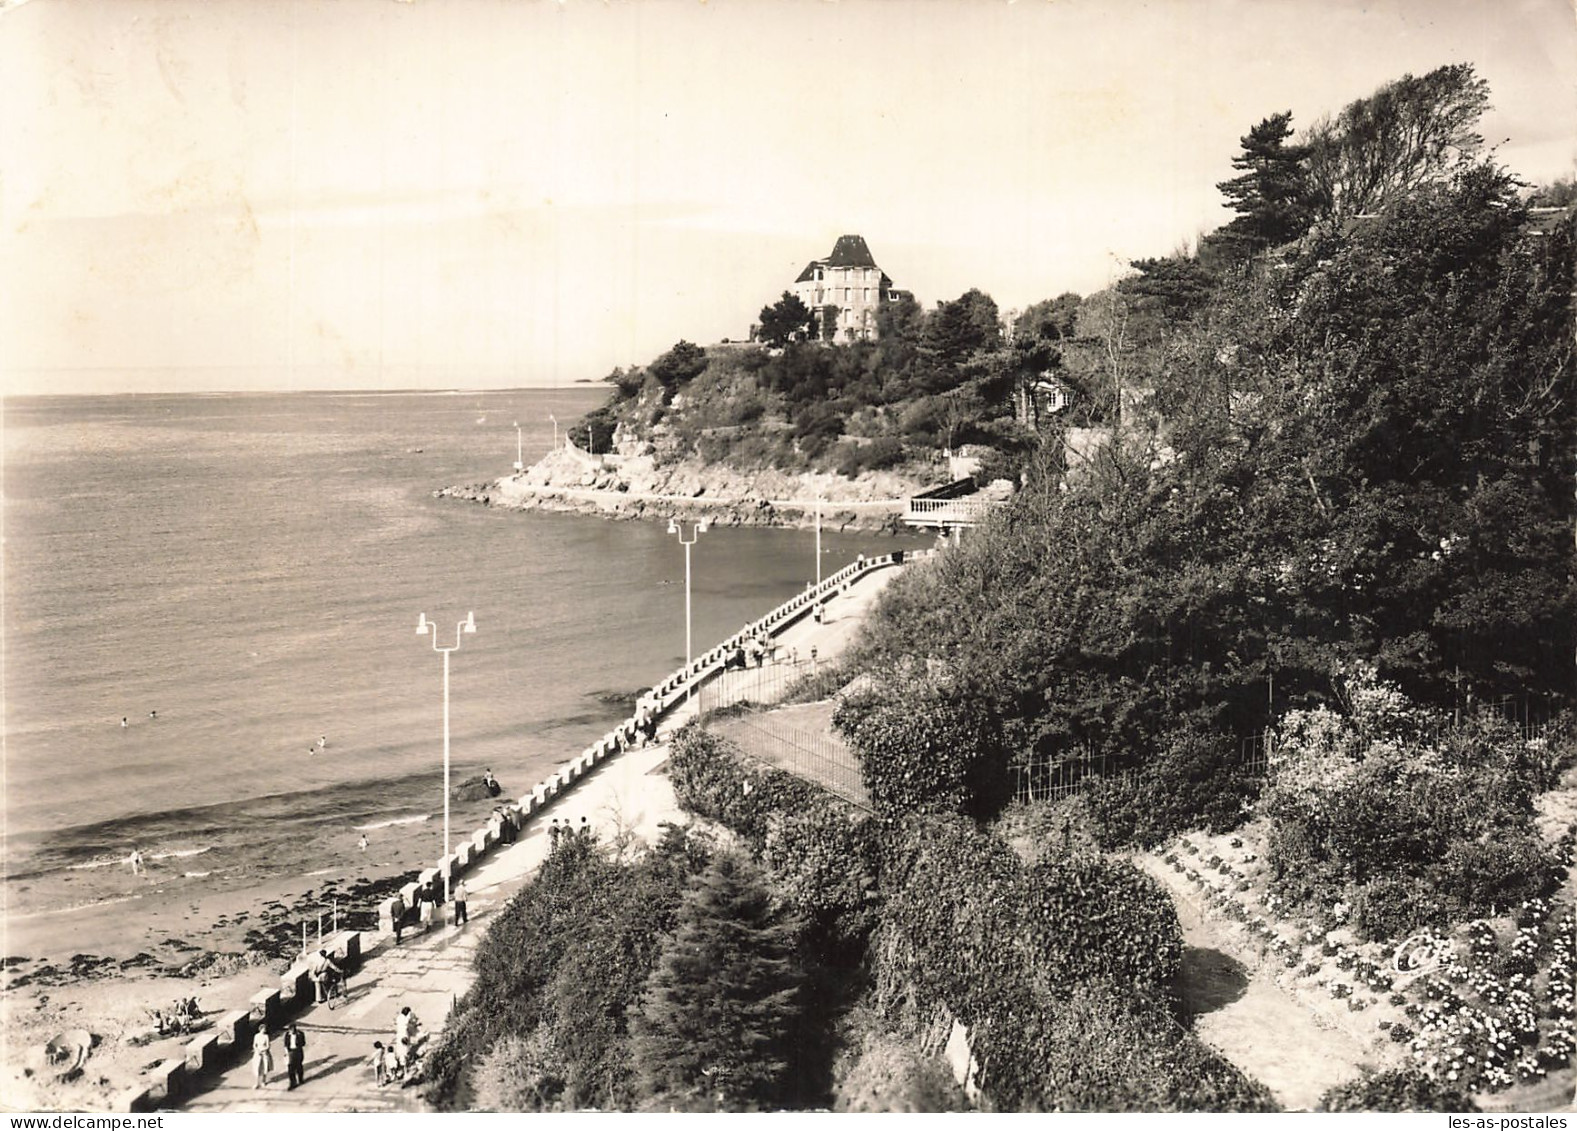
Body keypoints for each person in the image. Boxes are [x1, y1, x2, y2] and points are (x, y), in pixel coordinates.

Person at [283, 1022, 306, 1089]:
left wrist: (298, 1043)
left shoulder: (300, 1034)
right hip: (290, 1051)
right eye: (290, 1030)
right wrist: (286, 1052)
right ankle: (292, 1083)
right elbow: (285, 1044)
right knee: (290, 1068)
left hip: (298, 1051)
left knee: (299, 1066)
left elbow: (303, 1043)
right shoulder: (287, 1035)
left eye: (292, 1030)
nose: (291, 1032)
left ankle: (300, 1079)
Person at [252, 1024, 273, 1089]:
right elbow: (254, 1045)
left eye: (265, 1029)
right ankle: (257, 1083)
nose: (264, 1030)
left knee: (264, 1067)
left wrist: (263, 1050)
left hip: (264, 1053)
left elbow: (268, 1046)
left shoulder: (266, 1036)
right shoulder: (256, 1036)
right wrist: (257, 1050)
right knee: (257, 1067)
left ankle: (263, 1081)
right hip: (258, 1054)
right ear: (260, 1029)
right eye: (263, 1029)